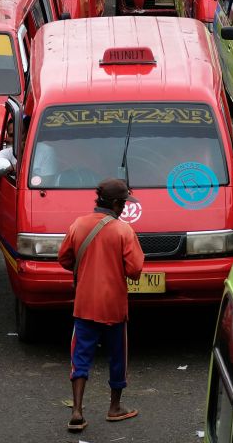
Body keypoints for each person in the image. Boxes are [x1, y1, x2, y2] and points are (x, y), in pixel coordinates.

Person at [57, 179, 144, 433]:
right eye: (124, 203)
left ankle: (77, 410)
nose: (125, 208)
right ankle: (114, 407)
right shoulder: (123, 231)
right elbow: (135, 271)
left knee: (80, 357)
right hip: (114, 306)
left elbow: (64, 258)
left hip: (84, 304)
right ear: (116, 204)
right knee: (118, 356)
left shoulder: (78, 225)